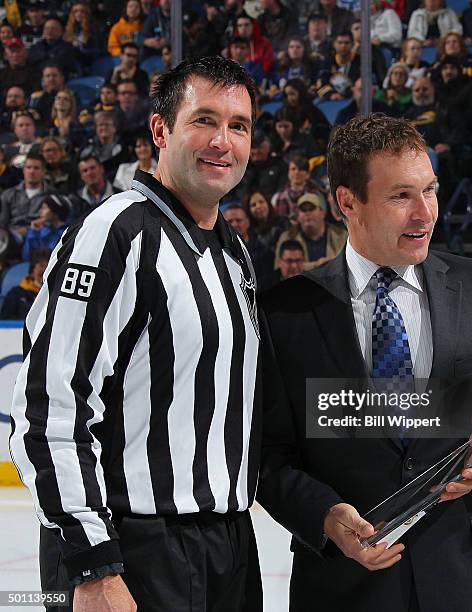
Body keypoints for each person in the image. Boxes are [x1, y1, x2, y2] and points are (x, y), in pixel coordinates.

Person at [256, 113, 472, 612]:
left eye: (430, 191)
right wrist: (324, 515)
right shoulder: (285, 313)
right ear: (348, 202)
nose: (425, 214)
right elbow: (266, 453)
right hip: (345, 587)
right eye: (401, 196)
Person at [11, 55, 263, 612]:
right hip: (132, 552)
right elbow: (48, 407)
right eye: (204, 120)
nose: (223, 141)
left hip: (227, 548)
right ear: (160, 130)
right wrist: (92, 563)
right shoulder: (115, 234)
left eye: (239, 125)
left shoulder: (234, 252)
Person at [274, 191, 347, 270]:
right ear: (298, 215)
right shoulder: (287, 237)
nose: (307, 213)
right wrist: (317, 265)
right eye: (303, 210)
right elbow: (279, 267)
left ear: (322, 212)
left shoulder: (341, 236)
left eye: (311, 209)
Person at [223, 203, 275, 290]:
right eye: (230, 221)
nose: (234, 224)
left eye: (238, 220)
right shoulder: (216, 253)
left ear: (247, 222)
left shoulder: (264, 251)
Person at [0, 152, 50, 236]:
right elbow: (2, 222)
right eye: (28, 167)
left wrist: (28, 230)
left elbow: (52, 223)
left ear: (43, 172)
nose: (31, 171)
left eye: (36, 168)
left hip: (39, 237)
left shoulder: (52, 196)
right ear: (23, 170)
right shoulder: (8, 194)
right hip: (11, 238)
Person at [0, 247, 50, 320]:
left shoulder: (55, 295)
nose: (44, 270)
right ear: (32, 271)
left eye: (48, 266)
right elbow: (5, 321)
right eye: (41, 265)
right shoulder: (16, 294)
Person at [272, 155, 325, 221]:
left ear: (307, 174)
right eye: (293, 169)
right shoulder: (278, 197)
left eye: (301, 169)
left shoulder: (318, 194)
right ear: (288, 173)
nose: (296, 172)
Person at [21, 193, 71, 260]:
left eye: (44, 208)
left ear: (55, 212)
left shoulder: (67, 232)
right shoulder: (41, 230)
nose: (40, 211)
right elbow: (27, 256)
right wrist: (32, 231)